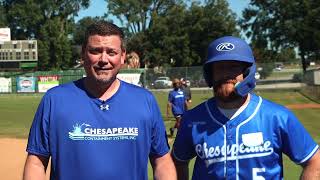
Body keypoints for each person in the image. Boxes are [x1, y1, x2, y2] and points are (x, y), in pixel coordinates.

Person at [23, 21, 176, 180]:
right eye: (95, 51)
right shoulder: (54, 100)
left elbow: (162, 162)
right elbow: (36, 163)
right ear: (83, 54)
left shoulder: (145, 101)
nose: (103, 59)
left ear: (122, 56)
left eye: (111, 52)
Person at [171, 36, 320, 179]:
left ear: (247, 72)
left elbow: (315, 161)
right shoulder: (192, 120)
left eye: (233, 67)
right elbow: (177, 162)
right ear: (210, 74)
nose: (226, 74)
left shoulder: (277, 117)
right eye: (220, 67)